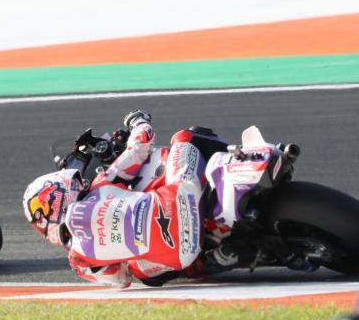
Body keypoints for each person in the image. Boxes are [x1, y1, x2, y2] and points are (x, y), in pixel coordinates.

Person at [23, 110, 230, 288]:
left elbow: (120, 279)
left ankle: (216, 258)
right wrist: (138, 121)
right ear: (61, 189)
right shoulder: (101, 184)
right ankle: (237, 157)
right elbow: (140, 146)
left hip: (182, 255)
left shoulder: (78, 261)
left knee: (139, 270)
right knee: (185, 138)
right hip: (183, 196)